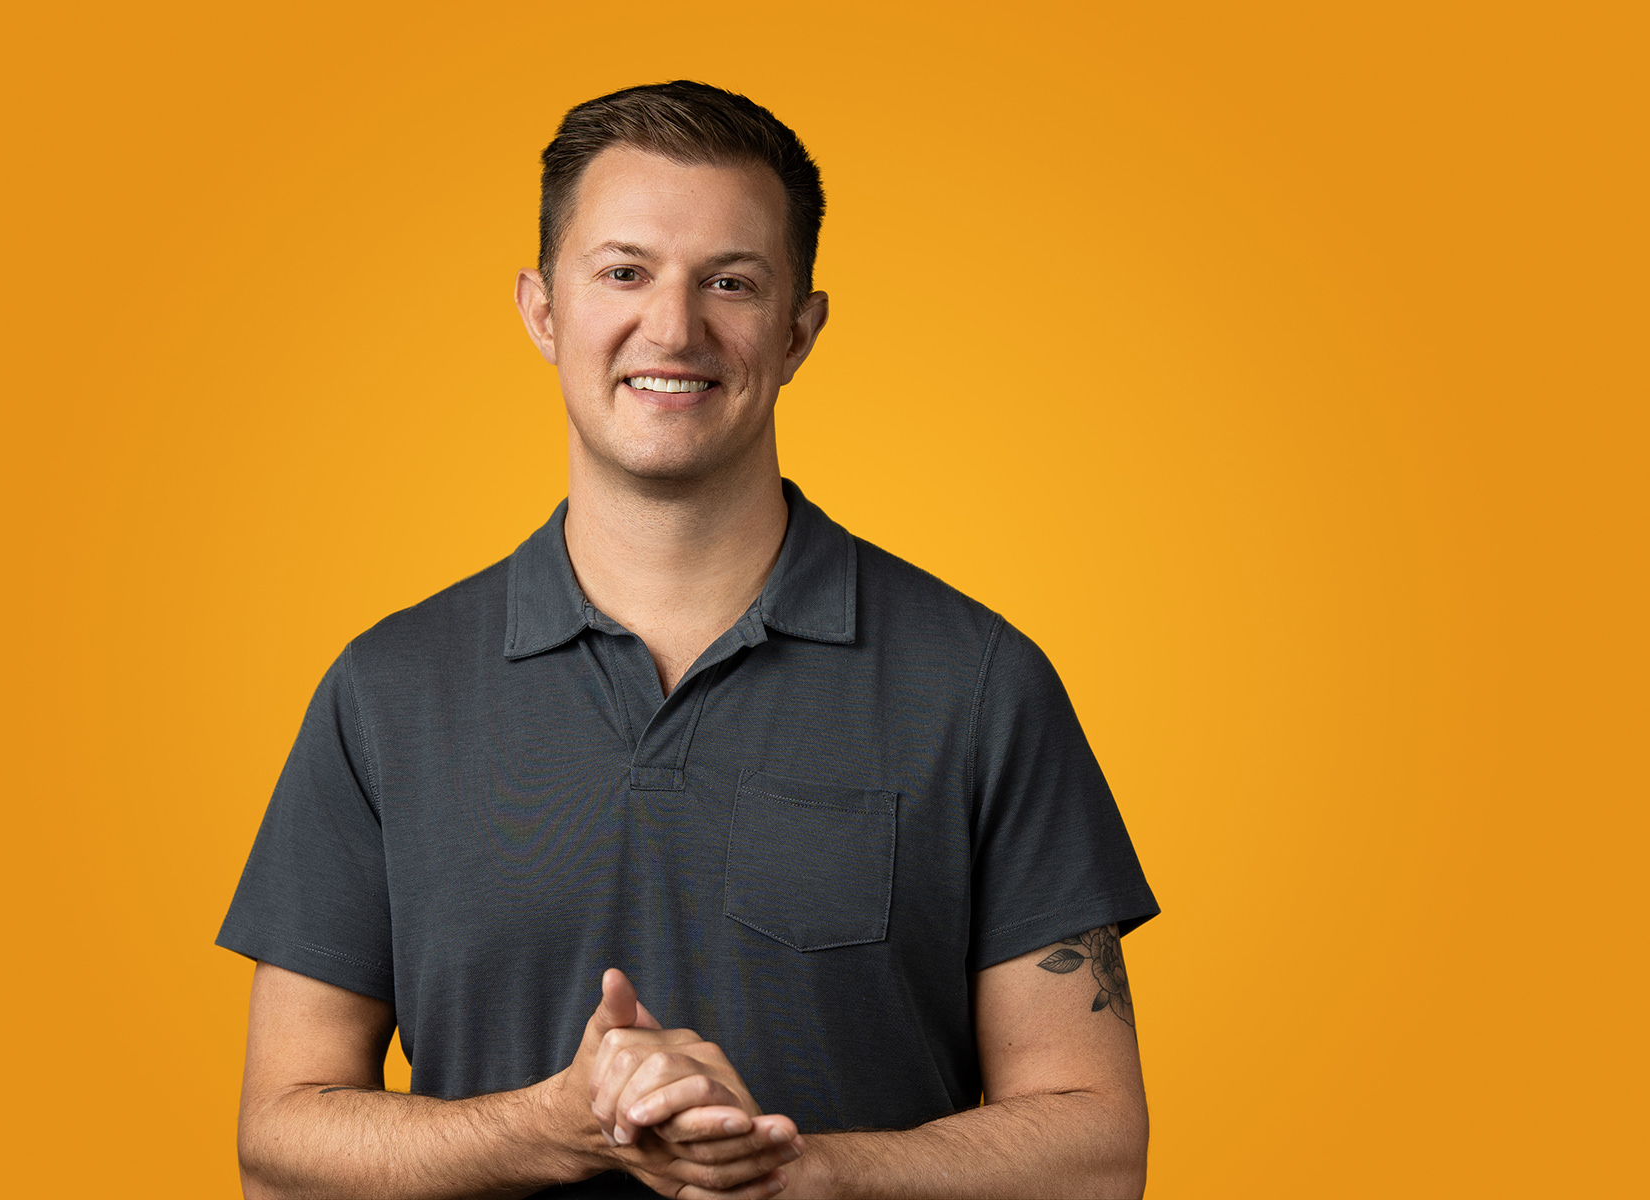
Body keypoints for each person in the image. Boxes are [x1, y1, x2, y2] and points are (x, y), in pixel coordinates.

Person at [218, 80, 1159, 1199]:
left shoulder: (980, 683)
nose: (673, 327)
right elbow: (278, 1147)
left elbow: (1098, 1154)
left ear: (800, 328)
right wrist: (554, 1127)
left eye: (731, 282)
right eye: (624, 272)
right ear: (541, 311)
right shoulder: (386, 690)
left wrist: (805, 1173)